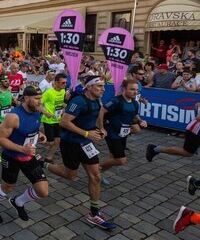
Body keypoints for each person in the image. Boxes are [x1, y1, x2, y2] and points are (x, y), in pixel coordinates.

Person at [42, 75, 117, 230]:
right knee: (71, 176)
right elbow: (64, 122)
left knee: (96, 176)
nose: (103, 89)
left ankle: (94, 213)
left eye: (103, 86)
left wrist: (100, 129)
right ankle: (42, 163)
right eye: (99, 86)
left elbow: (97, 116)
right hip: (71, 143)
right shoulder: (78, 102)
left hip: (86, 143)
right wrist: (87, 134)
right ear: (89, 87)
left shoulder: (97, 100)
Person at [0, 86, 48, 224]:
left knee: (43, 191)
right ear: (26, 98)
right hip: (11, 157)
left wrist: (39, 135)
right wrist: (22, 149)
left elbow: (31, 130)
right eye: (37, 99)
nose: (40, 102)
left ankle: (18, 202)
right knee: (8, 187)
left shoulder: (37, 111)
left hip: (28, 156)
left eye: (41, 98)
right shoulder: (13, 116)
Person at [97, 79, 147, 185]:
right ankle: (95, 170)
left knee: (113, 157)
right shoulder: (116, 101)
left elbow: (134, 114)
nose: (135, 92)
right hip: (112, 133)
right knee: (121, 160)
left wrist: (141, 121)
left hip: (123, 134)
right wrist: (101, 128)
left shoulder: (135, 103)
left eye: (137, 90)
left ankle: (99, 175)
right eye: (132, 89)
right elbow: (101, 111)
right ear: (124, 89)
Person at [40, 73, 68, 163]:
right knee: (51, 142)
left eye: (66, 83)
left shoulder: (63, 91)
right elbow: (38, 104)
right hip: (48, 120)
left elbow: (60, 103)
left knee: (58, 140)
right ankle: (37, 136)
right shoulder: (48, 92)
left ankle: (49, 158)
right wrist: (45, 112)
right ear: (56, 83)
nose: (65, 84)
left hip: (58, 119)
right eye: (63, 83)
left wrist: (64, 105)